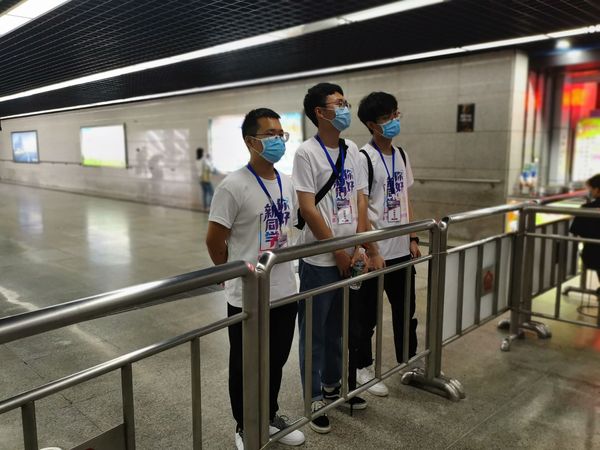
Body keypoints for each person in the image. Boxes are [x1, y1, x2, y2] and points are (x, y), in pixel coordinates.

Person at [206, 109, 305, 450]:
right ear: (251, 141)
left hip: (283, 290)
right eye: (270, 134)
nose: (279, 140)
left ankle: (270, 415)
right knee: (245, 363)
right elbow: (214, 240)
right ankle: (245, 424)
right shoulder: (232, 186)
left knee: (275, 360)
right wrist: (228, 274)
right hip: (247, 296)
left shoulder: (287, 182)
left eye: (281, 133)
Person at [292, 82, 373, 434]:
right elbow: (308, 208)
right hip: (319, 262)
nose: (344, 108)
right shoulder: (306, 153)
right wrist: (337, 251)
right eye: (338, 104)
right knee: (314, 332)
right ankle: (313, 397)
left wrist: (359, 245)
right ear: (319, 113)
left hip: (350, 255)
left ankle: (333, 386)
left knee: (339, 330)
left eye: (345, 102)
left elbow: (359, 197)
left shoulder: (352, 149)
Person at [350, 91, 421, 397]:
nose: (393, 121)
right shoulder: (363, 158)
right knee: (367, 316)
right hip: (376, 253)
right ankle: (362, 367)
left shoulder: (401, 155)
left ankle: (409, 360)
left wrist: (413, 236)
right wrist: (371, 249)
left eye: (395, 114)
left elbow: (406, 198)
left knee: (406, 310)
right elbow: (361, 207)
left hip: (402, 250)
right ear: (371, 124)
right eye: (386, 117)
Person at [570, 173, 600, 295]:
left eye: (590, 189)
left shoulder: (588, 208)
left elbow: (577, 230)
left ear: (597, 190)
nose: (590, 192)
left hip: (594, 253)